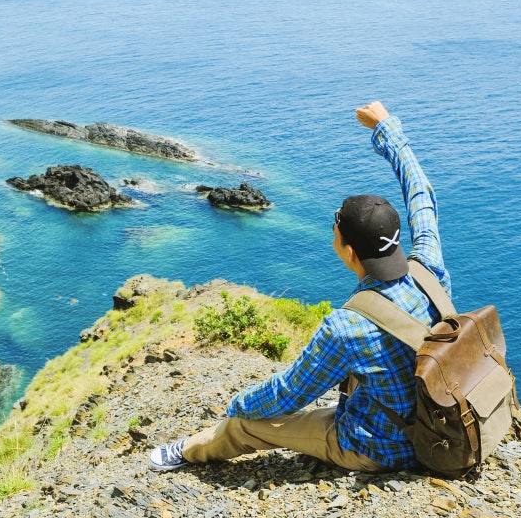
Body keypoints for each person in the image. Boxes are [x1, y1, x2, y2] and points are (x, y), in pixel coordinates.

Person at [148, 101, 451, 473]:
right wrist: (386, 129)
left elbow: (289, 394)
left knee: (247, 424)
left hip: (383, 449)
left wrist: (236, 403)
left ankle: (189, 450)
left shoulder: (347, 326)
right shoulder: (430, 270)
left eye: (335, 229)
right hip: (440, 426)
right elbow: (422, 196)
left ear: (349, 251)